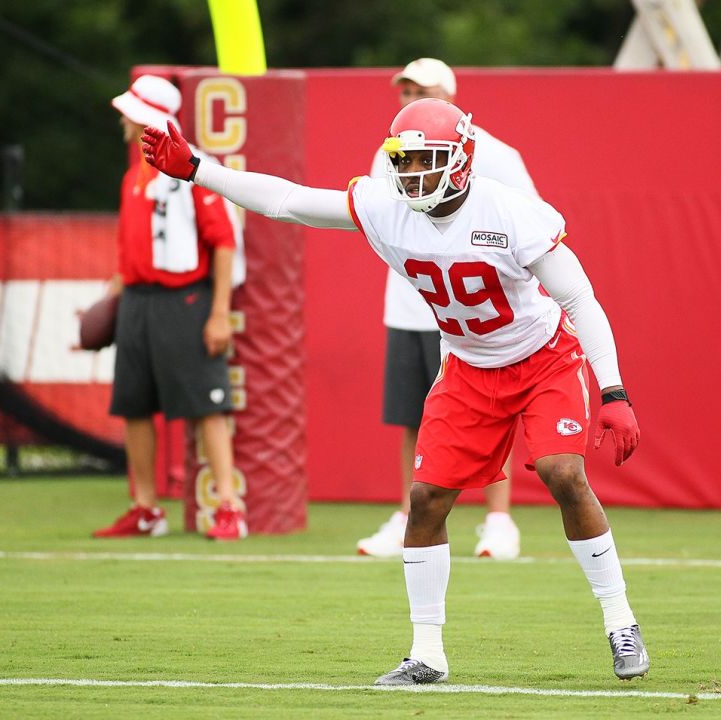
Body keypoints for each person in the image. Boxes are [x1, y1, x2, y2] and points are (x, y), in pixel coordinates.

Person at [140, 98, 648, 683]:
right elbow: (287, 200)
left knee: (563, 473)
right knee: (426, 500)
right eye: (402, 163)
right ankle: (427, 654)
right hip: (467, 368)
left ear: (460, 160)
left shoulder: (510, 212)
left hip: (542, 359)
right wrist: (198, 168)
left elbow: (579, 299)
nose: (409, 175)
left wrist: (613, 391)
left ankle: (620, 620)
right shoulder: (386, 206)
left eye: (423, 162)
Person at [358, 58, 538, 561]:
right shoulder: (388, 153)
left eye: (421, 90)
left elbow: (533, 227)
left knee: (492, 415)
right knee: (412, 415)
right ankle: (407, 514)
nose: (409, 98)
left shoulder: (497, 155)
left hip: (475, 314)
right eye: (404, 90)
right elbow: (377, 219)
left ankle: (499, 520)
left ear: (450, 96)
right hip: (411, 305)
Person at [91, 75, 247, 542]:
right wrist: (109, 301)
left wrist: (219, 311)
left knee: (207, 404)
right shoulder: (132, 174)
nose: (123, 119)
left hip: (185, 299)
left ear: (147, 116)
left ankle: (228, 505)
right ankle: (145, 509)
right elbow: (127, 253)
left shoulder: (193, 168)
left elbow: (223, 243)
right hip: (138, 301)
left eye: (131, 111)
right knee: (134, 405)